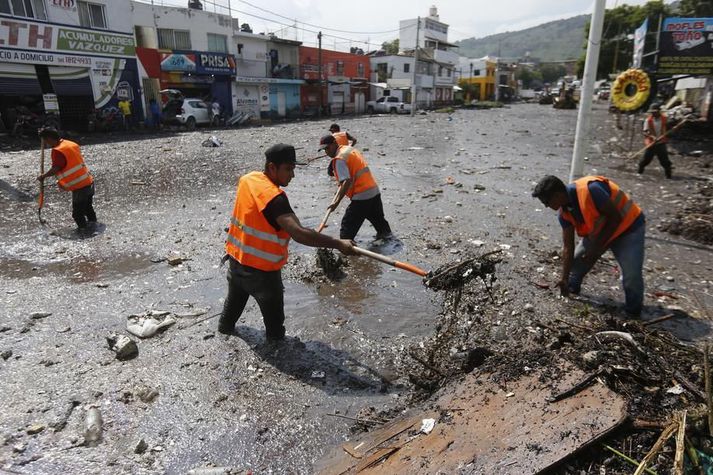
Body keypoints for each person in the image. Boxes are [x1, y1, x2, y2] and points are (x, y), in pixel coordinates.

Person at [218, 144, 356, 340]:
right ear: (272, 167)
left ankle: (224, 337)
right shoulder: (275, 199)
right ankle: (279, 354)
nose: (292, 175)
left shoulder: (248, 180)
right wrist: (339, 243)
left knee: (230, 313)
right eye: (288, 169)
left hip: (236, 262)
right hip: (262, 275)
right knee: (275, 327)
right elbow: (300, 234)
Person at [532, 175, 645, 319]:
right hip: (601, 232)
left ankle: (633, 313)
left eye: (546, 202)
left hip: (628, 228)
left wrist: (595, 250)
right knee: (577, 262)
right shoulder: (564, 214)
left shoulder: (591, 190)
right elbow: (568, 246)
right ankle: (572, 288)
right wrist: (564, 278)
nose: (546, 206)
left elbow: (615, 218)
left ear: (558, 195)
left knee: (631, 275)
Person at [319, 135, 392, 241]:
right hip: (373, 190)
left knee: (347, 230)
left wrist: (336, 203)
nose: (327, 152)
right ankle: (390, 242)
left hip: (362, 195)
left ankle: (347, 254)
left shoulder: (339, 159)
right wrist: (337, 196)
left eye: (328, 148)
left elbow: (346, 181)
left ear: (335, 143)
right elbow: (345, 181)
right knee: (379, 222)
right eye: (324, 149)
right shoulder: (349, 149)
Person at [36, 128, 97, 232]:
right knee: (87, 208)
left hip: (79, 186)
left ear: (50, 138)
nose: (45, 143)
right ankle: (94, 224)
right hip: (87, 180)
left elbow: (56, 168)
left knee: (77, 214)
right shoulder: (69, 144)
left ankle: (84, 231)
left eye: (45, 140)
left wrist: (43, 176)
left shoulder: (58, 151)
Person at [639, 103, 672, 178]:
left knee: (665, 161)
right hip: (651, 143)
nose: (653, 113)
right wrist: (653, 137)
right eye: (652, 112)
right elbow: (645, 132)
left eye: (655, 112)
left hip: (661, 143)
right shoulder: (648, 120)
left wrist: (670, 131)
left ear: (659, 111)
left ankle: (669, 176)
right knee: (645, 160)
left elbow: (669, 128)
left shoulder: (665, 118)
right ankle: (639, 172)